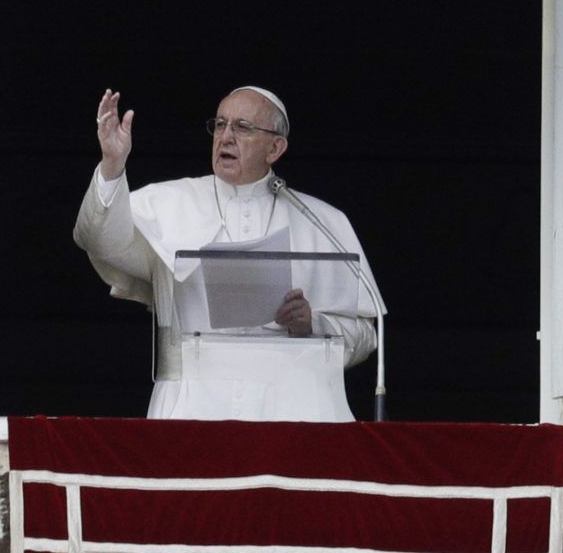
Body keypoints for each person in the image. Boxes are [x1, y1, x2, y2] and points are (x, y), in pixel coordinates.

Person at [73, 86, 384, 420]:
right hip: (191, 408)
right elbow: (99, 240)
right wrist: (112, 166)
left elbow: (365, 336)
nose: (226, 136)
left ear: (275, 148)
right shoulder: (169, 203)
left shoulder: (322, 222)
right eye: (220, 125)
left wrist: (313, 323)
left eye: (243, 127)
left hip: (295, 412)